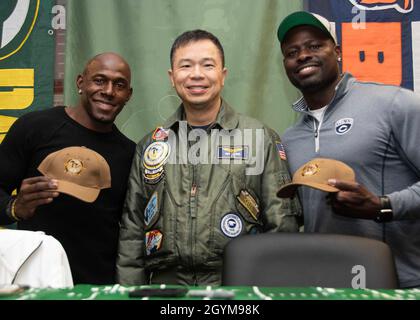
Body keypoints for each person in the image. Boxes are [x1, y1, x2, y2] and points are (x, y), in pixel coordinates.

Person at [117, 29, 300, 285]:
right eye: (186, 66)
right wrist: (131, 293)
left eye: (208, 65)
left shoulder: (260, 138)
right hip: (166, 286)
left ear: (223, 75)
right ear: (172, 77)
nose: (196, 75)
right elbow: (133, 229)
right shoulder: (151, 145)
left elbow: (282, 226)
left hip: (238, 284)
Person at [276, 11, 420, 288]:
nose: (303, 55)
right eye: (292, 52)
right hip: (327, 285)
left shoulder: (392, 104)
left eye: (315, 46)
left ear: (338, 51)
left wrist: (383, 206)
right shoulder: (291, 137)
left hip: (401, 285)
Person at [0, 52, 136, 285]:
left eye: (119, 85)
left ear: (128, 95)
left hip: (97, 288)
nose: (109, 91)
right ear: (81, 82)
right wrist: (13, 207)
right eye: (100, 80)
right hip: (34, 283)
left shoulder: (131, 153)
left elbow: (133, 231)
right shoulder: (34, 128)